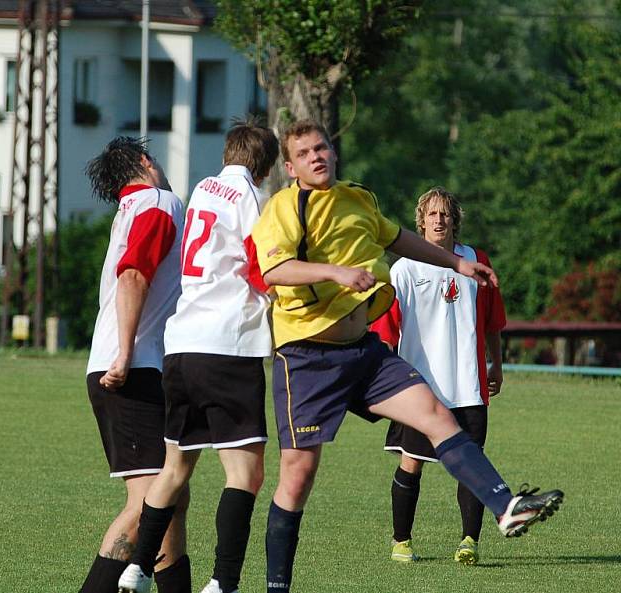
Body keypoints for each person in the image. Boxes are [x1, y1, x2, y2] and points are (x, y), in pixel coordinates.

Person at [251, 120, 563, 593]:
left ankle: (505, 508)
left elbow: (398, 239)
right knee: (298, 477)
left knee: (438, 415)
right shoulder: (285, 207)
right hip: (309, 358)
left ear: (333, 153)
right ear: (290, 165)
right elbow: (275, 269)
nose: (317, 156)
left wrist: (459, 262)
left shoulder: (358, 197)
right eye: (304, 152)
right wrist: (335, 273)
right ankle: (277, 588)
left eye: (322, 147)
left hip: (364, 354)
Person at [117, 119, 280, 593]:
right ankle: (223, 582)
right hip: (228, 344)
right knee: (245, 472)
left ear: (227, 153)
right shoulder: (254, 199)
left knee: (175, 468)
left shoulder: (202, 191)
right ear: (266, 167)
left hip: (181, 345)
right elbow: (261, 262)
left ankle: (139, 567)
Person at [78, 137, 191, 593]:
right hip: (131, 367)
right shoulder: (158, 201)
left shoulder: (130, 210)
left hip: (142, 365)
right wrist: (125, 354)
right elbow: (134, 275)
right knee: (148, 503)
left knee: (172, 500)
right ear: (145, 163)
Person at [371, 188, 506, 565]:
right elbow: (385, 333)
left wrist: (496, 363)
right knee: (410, 462)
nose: (439, 220)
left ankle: (469, 542)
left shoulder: (476, 261)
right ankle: (402, 541)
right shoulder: (403, 269)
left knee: (472, 463)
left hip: (468, 385)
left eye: (445, 213)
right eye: (431, 214)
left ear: (455, 219)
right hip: (419, 389)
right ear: (421, 220)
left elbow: (493, 322)